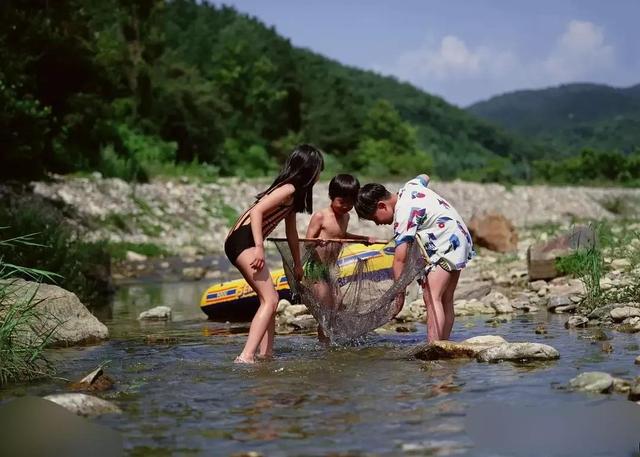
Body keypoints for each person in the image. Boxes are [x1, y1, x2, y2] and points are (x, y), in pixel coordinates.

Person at [224, 144, 324, 363]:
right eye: (319, 170)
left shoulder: (293, 195)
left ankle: (265, 355)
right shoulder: (288, 189)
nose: (319, 175)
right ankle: (246, 356)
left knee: (267, 300)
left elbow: (291, 232)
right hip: (243, 241)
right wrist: (259, 247)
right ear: (309, 170)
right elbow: (257, 210)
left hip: (240, 241)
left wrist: (297, 264)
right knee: (271, 298)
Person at [354, 174, 474, 343]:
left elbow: (400, 259)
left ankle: (434, 345)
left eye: (374, 218)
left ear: (382, 206)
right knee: (445, 298)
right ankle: (444, 344)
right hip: (460, 236)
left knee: (432, 296)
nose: (377, 223)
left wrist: (399, 291)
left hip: (446, 243)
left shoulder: (404, 213)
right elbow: (424, 176)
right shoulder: (410, 187)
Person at [304, 174, 375, 343]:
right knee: (326, 308)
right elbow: (307, 242)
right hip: (316, 267)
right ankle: (325, 347)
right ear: (331, 197)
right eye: (342, 202)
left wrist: (363, 239)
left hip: (330, 268)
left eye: (350, 203)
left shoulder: (346, 216)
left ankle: (332, 341)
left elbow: (342, 235)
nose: (346, 207)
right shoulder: (321, 216)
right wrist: (316, 242)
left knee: (338, 304)